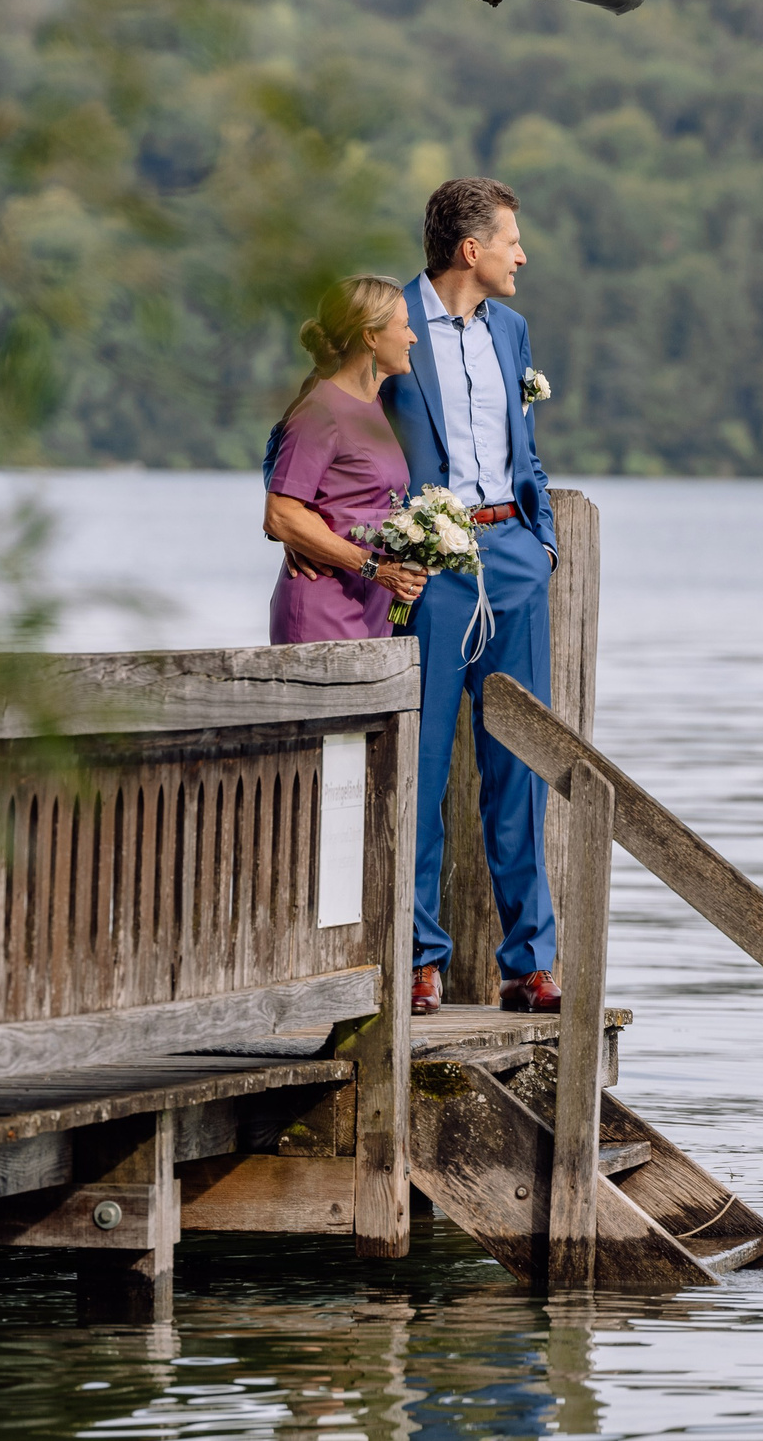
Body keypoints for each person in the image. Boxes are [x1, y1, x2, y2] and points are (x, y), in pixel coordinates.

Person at [381, 178, 563, 1016]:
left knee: (520, 767)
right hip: (431, 567)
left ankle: (530, 965)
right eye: (512, 240)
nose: (522, 254)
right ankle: (418, 959)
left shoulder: (514, 330)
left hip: (513, 559)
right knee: (417, 769)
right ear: (470, 249)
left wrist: (544, 541)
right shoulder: (391, 327)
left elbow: (530, 449)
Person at [262, 276, 430, 642]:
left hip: (372, 611)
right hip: (323, 609)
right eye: (404, 326)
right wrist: (373, 568)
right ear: (371, 336)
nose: (413, 337)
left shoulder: (376, 406)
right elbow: (280, 514)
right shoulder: (321, 411)